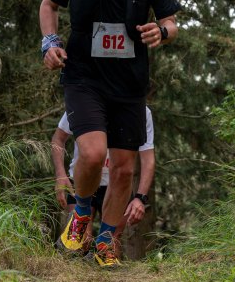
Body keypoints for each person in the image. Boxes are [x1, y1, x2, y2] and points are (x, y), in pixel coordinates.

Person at [40, 0, 178, 268]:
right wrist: (49, 43)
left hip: (130, 83)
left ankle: (106, 242)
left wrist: (162, 31)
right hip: (84, 76)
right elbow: (49, 5)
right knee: (92, 152)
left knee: (123, 169)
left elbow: (170, 22)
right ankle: (83, 212)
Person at [51, 106, 156, 247]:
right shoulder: (84, 100)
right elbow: (58, 138)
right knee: (80, 242)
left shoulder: (141, 110)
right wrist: (60, 175)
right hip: (83, 180)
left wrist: (140, 197)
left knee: (110, 246)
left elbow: (148, 158)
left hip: (117, 185)